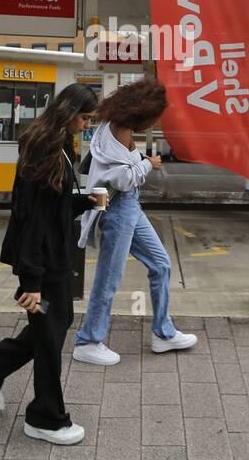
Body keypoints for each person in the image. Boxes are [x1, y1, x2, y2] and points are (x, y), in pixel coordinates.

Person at [0, 83, 106, 445]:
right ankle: (45, 418)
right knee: (50, 333)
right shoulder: (47, 147)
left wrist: (85, 201)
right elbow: (31, 218)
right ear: (69, 110)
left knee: (54, 324)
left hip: (50, 259)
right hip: (43, 264)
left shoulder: (55, 143)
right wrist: (32, 281)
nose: (87, 125)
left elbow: (52, 208)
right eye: (86, 117)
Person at [73, 77, 197, 365]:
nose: (153, 123)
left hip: (127, 208)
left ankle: (163, 333)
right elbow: (124, 178)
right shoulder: (120, 130)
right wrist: (147, 164)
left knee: (162, 264)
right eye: (153, 117)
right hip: (120, 209)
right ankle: (88, 341)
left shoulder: (113, 125)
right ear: (142, 113)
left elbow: (116, 167)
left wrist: (138, 159)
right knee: (109, 278)